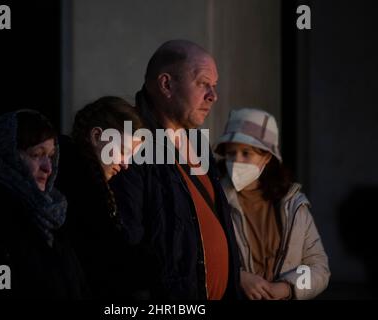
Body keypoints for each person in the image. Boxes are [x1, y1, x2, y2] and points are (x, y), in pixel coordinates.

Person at [109, 40, 242, 300]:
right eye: (203, 83)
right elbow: (126, 251)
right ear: (166, 85)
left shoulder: (199, 146)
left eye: (214, 86)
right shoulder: (130, 146)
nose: (213, 96)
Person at [0, 110, 88, 299]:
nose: (48, 167)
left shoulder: (50, 211)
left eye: (51, 155)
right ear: (8, 157)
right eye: (36, 155)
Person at [214, 108, 330, 300]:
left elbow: (319, 268)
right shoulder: (215, 201)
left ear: (267, 157)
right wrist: (237, 277)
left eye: (246, 153)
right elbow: (200, 259)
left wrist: (286, 289)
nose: (236, 161)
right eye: (231, 153)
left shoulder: (293, 205)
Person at [55, 96, 144, 299]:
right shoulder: (79, 187)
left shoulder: (95, 185)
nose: (125, 164)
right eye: (123, 151)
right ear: (96, 136)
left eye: (130, 157)